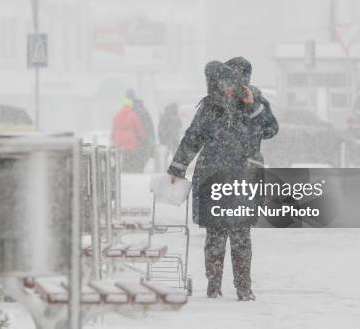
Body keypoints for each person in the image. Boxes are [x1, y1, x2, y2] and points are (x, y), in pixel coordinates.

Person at [167, 59, 278, 301]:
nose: (229, 87)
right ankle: (213, 286)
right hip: (213, 176)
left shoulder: (255, 103)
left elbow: (270, 130)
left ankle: (243, 288)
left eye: (234, 82)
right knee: (215, 235)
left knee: (241, 236)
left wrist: (252, 106)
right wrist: (177, 167)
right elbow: (193, 137)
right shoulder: (210, 106)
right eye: (225, 82)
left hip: (244, 176)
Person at [111, 98, 146, 172]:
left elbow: (114, 127)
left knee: (122, 153)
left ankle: (123, 167)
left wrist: (113, 137)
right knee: (130, 153)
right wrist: (142, 135)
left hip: (119, 136)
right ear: (130, 105)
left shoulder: (117, 114)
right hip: (129, 136)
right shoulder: (133, 114)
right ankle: (129, 167)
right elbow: (138, 126)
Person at [126, 89, 155, 172]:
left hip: (134, 142)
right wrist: (152, 139)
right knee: (139, 163)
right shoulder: (143, 111)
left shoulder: (130, 111)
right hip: (142, 141)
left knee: (133, 164)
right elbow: (150, 127)